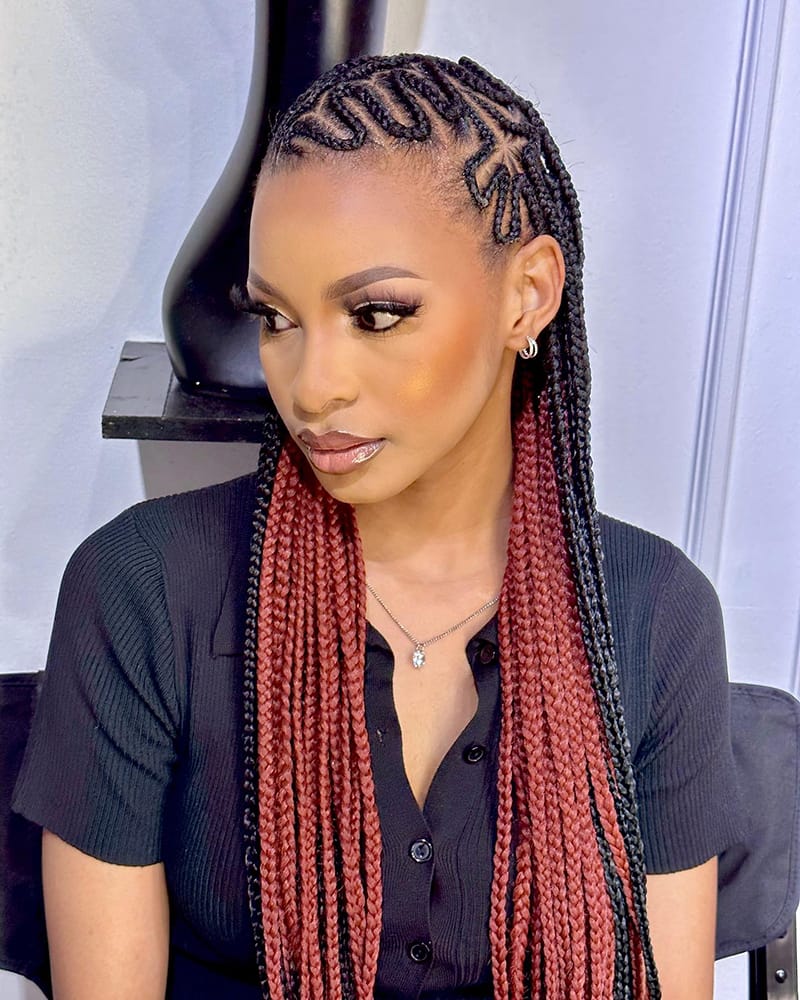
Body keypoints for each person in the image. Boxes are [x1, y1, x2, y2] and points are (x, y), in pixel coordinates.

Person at [12, 53, 745, 999]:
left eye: (377, 313)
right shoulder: (144, 591)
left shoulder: (654, 617)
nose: (312, 386)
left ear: (527, 294)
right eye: (275, 318)